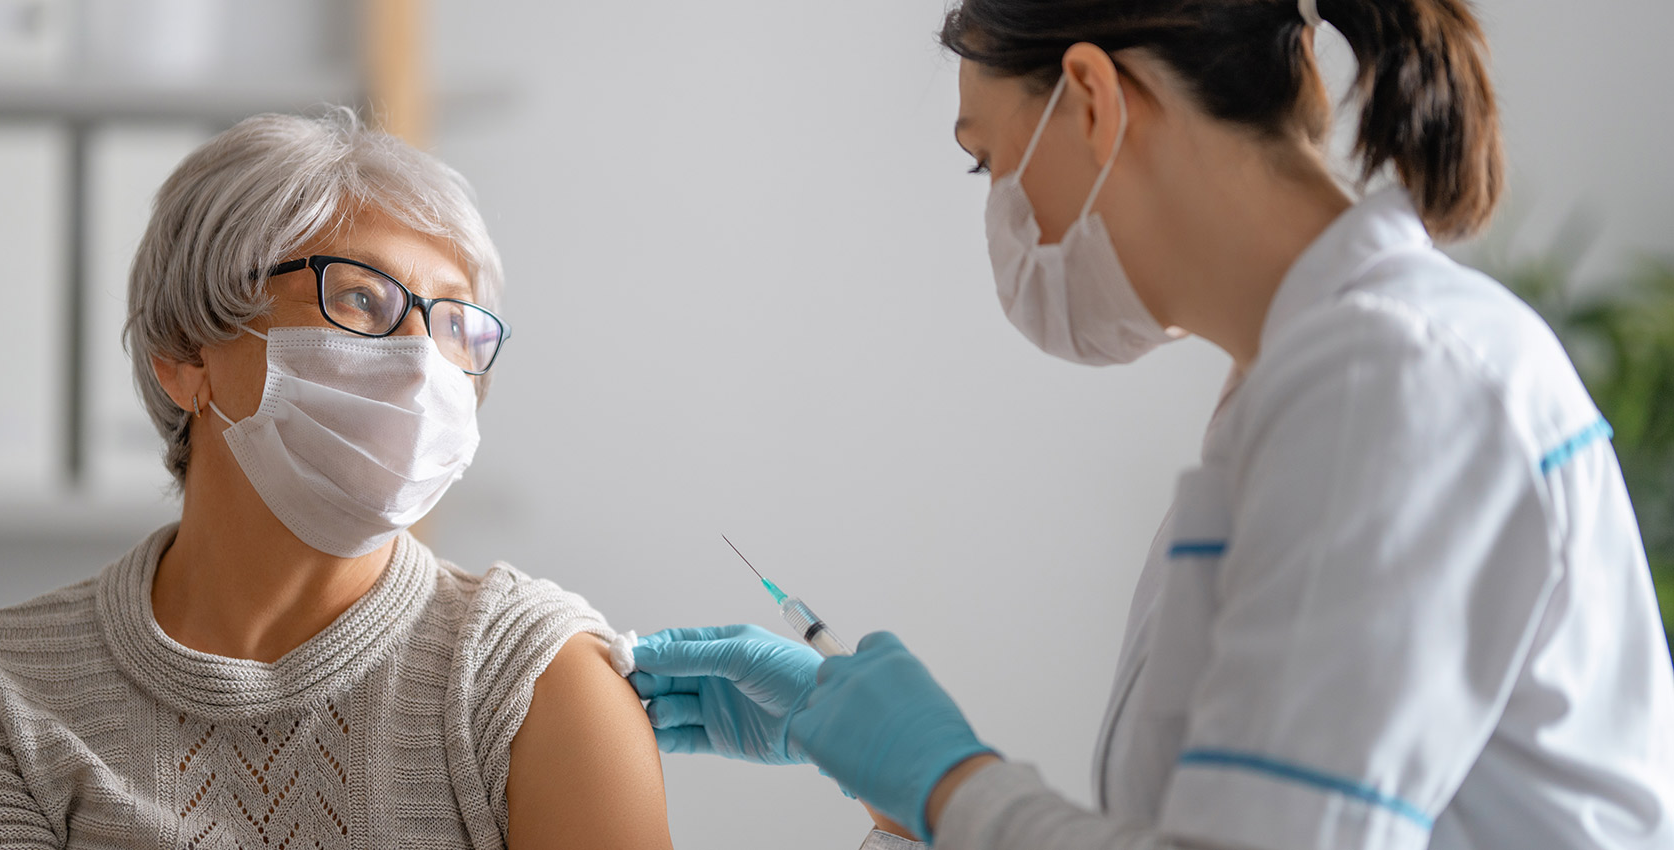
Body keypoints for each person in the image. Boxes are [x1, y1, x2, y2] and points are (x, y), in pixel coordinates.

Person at [628, 1, 1674, 848]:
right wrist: (884, 776)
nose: (1001, 213)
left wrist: (945, 778)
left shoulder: (1392, 383)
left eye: (986, 161)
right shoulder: (1305, 391)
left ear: (1090, 98)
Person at [0, 110, 672, 850]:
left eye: (454, 323)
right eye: (364, 300)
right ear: (186, 354)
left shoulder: (533, 677)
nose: (423, 361)